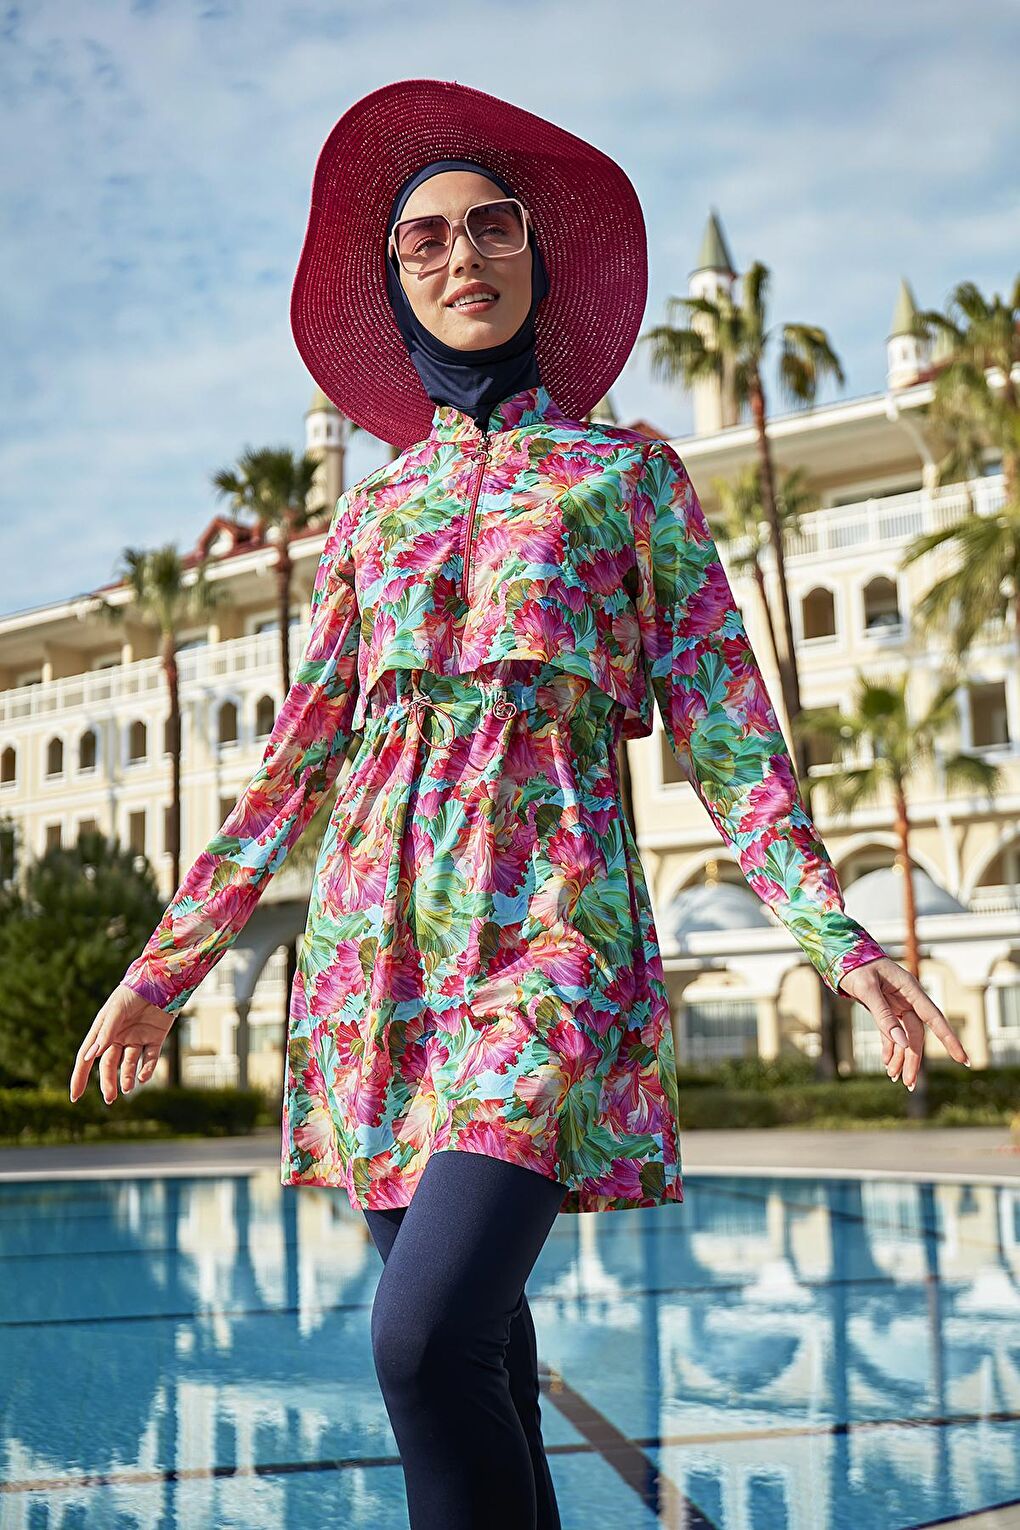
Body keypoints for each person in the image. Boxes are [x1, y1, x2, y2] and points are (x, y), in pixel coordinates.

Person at [69, 79, 970, 1530]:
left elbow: (731, 732)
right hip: (373, 967)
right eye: (424, 239)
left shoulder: (630, 476)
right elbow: (295, 763)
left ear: (537, 256)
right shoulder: (371, 515)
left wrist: (839, 938)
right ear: (395, 283)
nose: (462, 256)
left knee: (420, 1343)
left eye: (492, 225)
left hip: (555, 937)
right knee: (481, 1353)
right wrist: (163, 968)